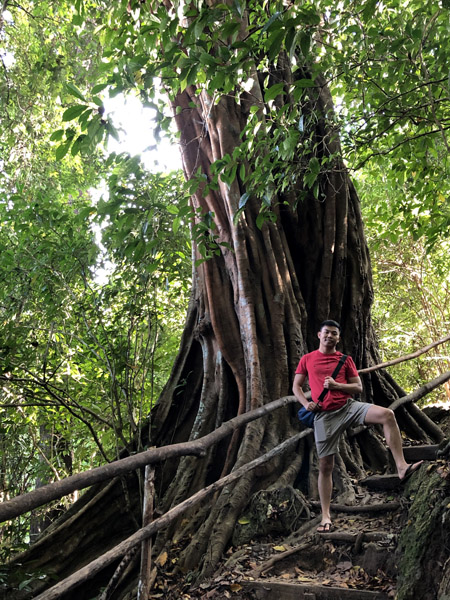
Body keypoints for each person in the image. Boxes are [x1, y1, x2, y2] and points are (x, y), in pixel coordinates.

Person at [293, 319, 422, 533]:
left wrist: (336, 386)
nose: (330, 336)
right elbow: (296, 386)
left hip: (348, 407)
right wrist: (307, 403)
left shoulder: (345, 360)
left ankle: (401, 466)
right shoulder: (307, 359)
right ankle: (325, 515)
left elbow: (357, 387)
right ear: (319, 335)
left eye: (334, 333)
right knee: (326, 466)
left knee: (387, 415)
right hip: (324, 416)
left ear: (338, 337)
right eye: (326, 332)